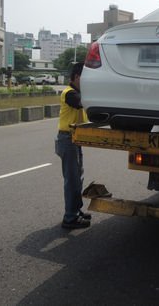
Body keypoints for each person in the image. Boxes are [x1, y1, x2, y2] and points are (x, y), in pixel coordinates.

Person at [55, 62, 91, 229]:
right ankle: (70, 218)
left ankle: (76, 211)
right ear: (77, 77)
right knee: (72, 181)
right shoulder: (70, 94)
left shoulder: (78, 92)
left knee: (78, 178)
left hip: (75, 140)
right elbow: (81, 103)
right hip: (67, 140)